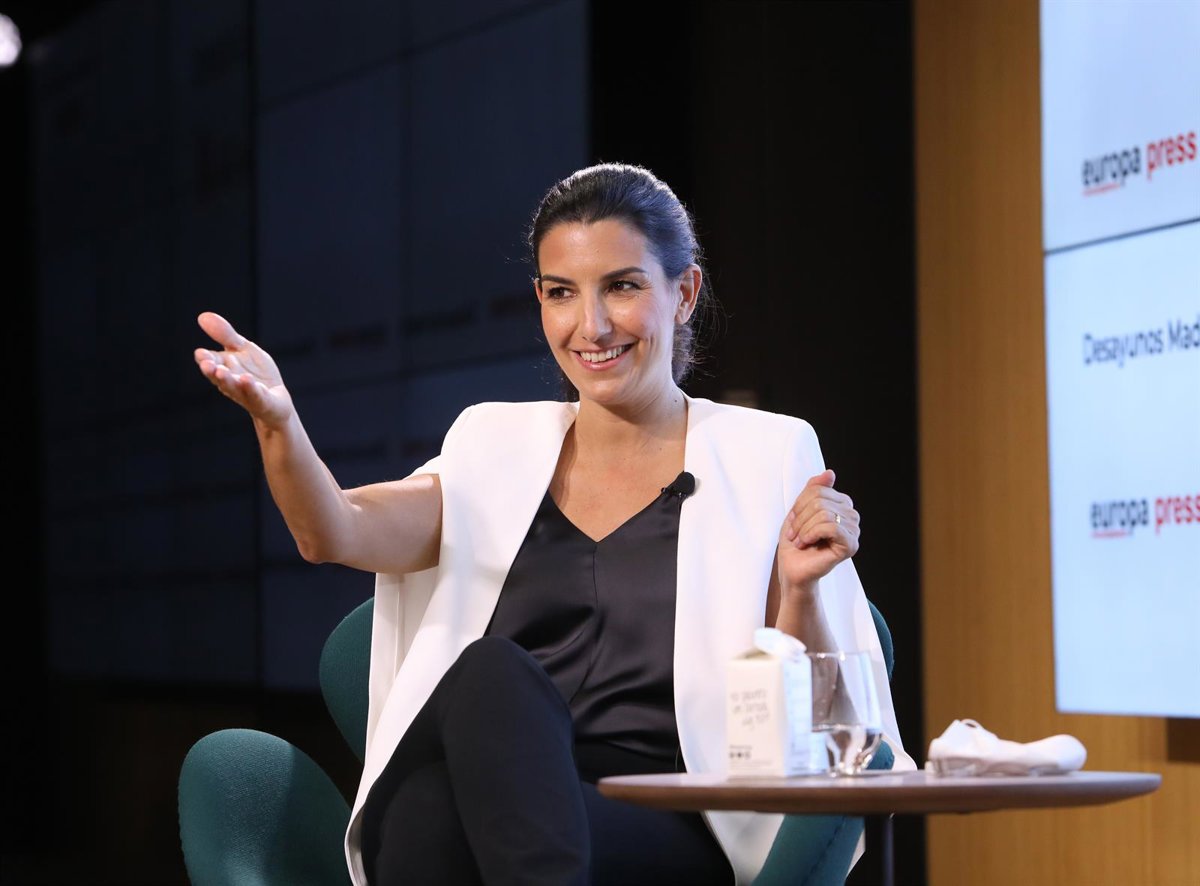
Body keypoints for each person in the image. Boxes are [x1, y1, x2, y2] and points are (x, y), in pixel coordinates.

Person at [194, 162, 913, 886]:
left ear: (684, 293)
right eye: (562, 292)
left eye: (622, 287)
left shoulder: (765, 453)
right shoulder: (490, 443)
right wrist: (281, 424)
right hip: (483, 802)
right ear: (540, 299)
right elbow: (333, 532)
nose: (590, 326)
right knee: (479, 702)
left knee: (431, 809)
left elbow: (829, 726)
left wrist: (801, 589)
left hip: (655, 821)